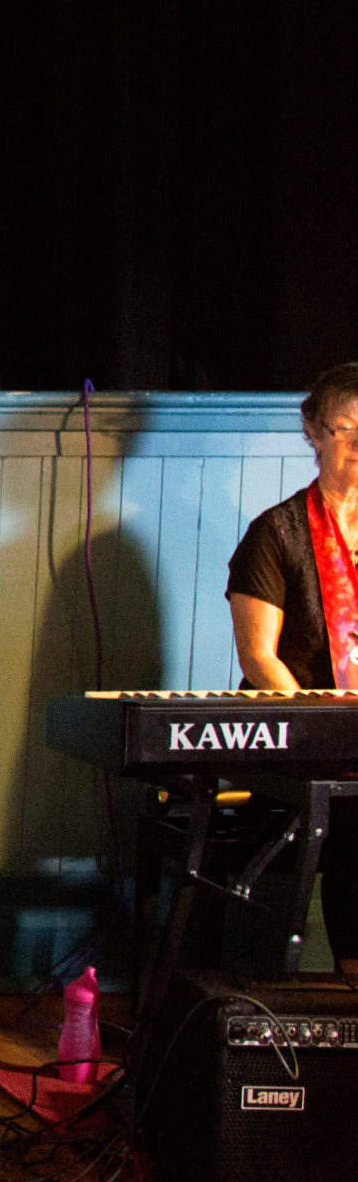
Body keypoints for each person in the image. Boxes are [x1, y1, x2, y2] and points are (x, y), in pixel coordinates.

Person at [226, 361, 358, 974]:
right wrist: (329, 727)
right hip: (301, 731)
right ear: (312, 431)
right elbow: (259, 657)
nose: (357, 444)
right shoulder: (275, 533)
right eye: (343, 428)